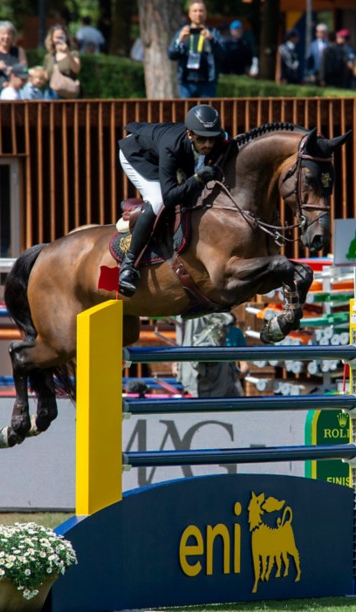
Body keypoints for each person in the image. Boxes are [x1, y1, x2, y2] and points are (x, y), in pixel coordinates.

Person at [116, 104, 231, 297]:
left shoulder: (217, 140)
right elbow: (170, 198)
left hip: (165, 152)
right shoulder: (172, 147)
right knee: (158, 200)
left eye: (212, 139)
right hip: (138, 155)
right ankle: (129, 265)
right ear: (190, 134)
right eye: (202, 139)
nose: (208, 145)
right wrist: (197, 179)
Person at [175, 312, 249, 397]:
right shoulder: (195, 326)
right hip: (216, 379)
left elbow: (244, 364)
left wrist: (234, 374)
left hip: (220, 379)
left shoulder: (235, 332)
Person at [167, 0, 223, 98]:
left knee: (206, 112)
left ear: (205, 13)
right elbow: (171, 54)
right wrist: (179, 40)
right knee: (185, 112)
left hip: (207, 83)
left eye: (201, 11)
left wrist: (211, 40)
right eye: (195, 11)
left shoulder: (213, 33)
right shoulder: (183, 32)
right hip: (186, 84)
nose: (198, 14)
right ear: (189, 14)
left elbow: (223, 54)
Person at [43, 24, 81, 100]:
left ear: (66, 37)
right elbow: (46, 76)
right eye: (57, 37)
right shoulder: (49, 57)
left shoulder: (73, 54)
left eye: (61, 36)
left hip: (68, 93)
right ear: (52, 39)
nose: (59, 39)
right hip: (51, 94)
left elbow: (76, 69)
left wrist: (67, 52)